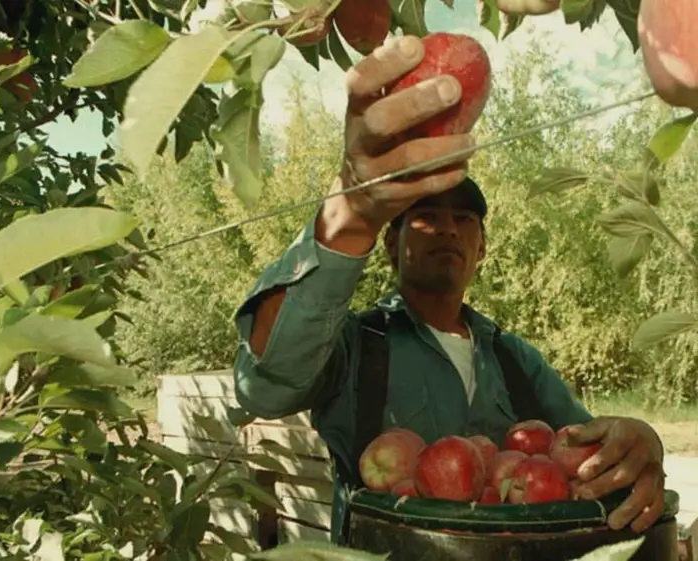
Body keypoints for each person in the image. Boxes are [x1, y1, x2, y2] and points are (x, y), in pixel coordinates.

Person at [231, 35, 666, 545]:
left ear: (481, 249)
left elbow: (583, 454)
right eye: (425, 218)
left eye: (463, 219)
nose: (446, 229)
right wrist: (351, 217)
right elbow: (264, 386)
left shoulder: (515, 360)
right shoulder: (357, 344)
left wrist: (641, 441)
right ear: (389, 246)